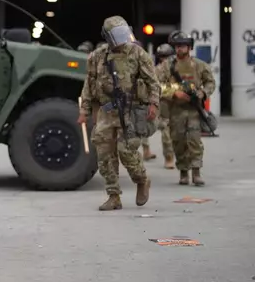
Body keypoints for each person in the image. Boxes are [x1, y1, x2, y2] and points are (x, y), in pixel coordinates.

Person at [78, 16, 159, 211]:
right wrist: (84, 110)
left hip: (129, 110)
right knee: (105, 154)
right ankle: (113, 196)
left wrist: (153, 103)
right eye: (117, 35)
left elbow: (153, 82)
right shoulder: (97, 57)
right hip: (106, 112)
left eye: (124, 34)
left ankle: (141, 180)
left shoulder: (138, 53)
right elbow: (88, 85)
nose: (122, 39)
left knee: (126, 150)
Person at [157, 31, 215, 186]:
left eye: (182, 46)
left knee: (195, 141)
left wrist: (203, 93)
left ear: (189, 47)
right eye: (176, 46)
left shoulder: (199, 65)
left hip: (194, 110)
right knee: (178, 141)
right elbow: (156, 85)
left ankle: (196, 172)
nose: (179, 49)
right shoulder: (167, 66)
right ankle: (183, 172)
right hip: (175, 110)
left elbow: (210, 82)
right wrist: (174, 93)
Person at [154, 43, 176, 169]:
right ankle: (169, 157)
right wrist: (174, 91)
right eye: (162, 57)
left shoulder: (179, 67)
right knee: (166, 130)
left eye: (167, 56)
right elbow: (156, 88)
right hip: (165, 103)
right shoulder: (157, 70)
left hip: (180, 103)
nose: (165, 59)